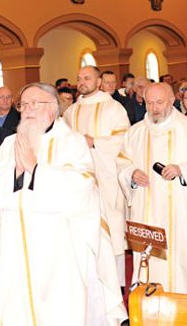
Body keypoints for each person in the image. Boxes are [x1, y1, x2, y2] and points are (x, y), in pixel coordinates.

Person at [0, 82, 126, 325]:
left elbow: (82, 187)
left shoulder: (72, 142)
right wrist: (16, 171)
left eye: (34, 103)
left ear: (52, 108)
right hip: (19, 245)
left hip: (61, 248)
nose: (27, 109)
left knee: (61, 310)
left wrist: (37, 170)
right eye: (23, 104)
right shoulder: (9, 144)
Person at [118, 83, 187, 294]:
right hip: (146, 209)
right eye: (149, 103)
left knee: (180, 260)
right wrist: (132, 174)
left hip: (181, 210)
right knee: (150, 263)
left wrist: (183, 170)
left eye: (159, 102)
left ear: (173, 100)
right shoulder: (134, 133)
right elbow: (122, 161)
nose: (154, 108)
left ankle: (185, 302)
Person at [64, 66, 130, 286]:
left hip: (107, 180)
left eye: (87, 78)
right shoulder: (71, 112)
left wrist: (95, 142)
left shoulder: (114, 108)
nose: (82, 82)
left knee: (112, 230)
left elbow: (124, 140)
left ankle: (116, 283)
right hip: (79, 184)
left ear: (99, 81)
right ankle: (88, 282)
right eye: (79, 78)